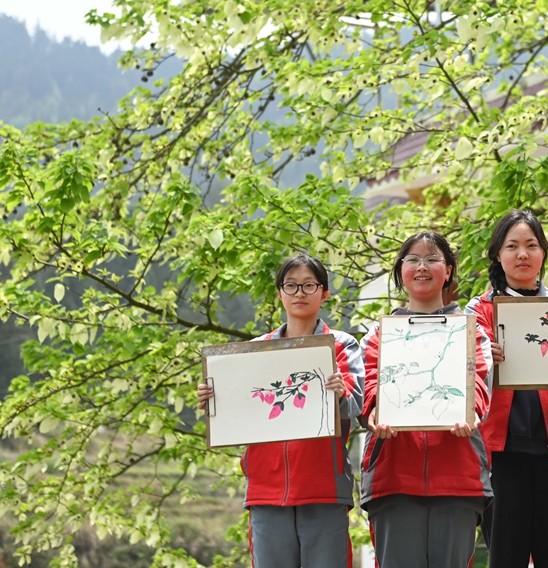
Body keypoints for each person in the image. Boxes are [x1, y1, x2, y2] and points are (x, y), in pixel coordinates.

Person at [197, 253, 364, 568]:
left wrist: (339, 393)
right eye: (291, 286)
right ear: (280, 293)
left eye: (308, 285)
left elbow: (356, 405)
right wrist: (214, 400)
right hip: (266, 491)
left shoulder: (341, 345)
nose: (299, 293)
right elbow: (238, 414)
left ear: (324, 292)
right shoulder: (255, 350)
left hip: (324, 489)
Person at [359, 231, 493, 568]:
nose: (422, 267)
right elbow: (369, 382)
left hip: (458, 477)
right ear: (400, 270)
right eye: (413, 260)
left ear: (447, 270)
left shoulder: (471, 331)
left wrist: (471, 413)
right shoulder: (379, 333)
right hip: (393, 476)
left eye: (432, 259)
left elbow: (478, 382)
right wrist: (375, 410)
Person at [464, 209, 548, 568]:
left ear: (543, 253)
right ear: (498, 255)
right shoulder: (477, 311)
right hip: (501, 450)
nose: (522, 254)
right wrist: (481, 355)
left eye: (531, 245)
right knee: (505, 556)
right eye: (512, 246)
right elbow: (462, 374)